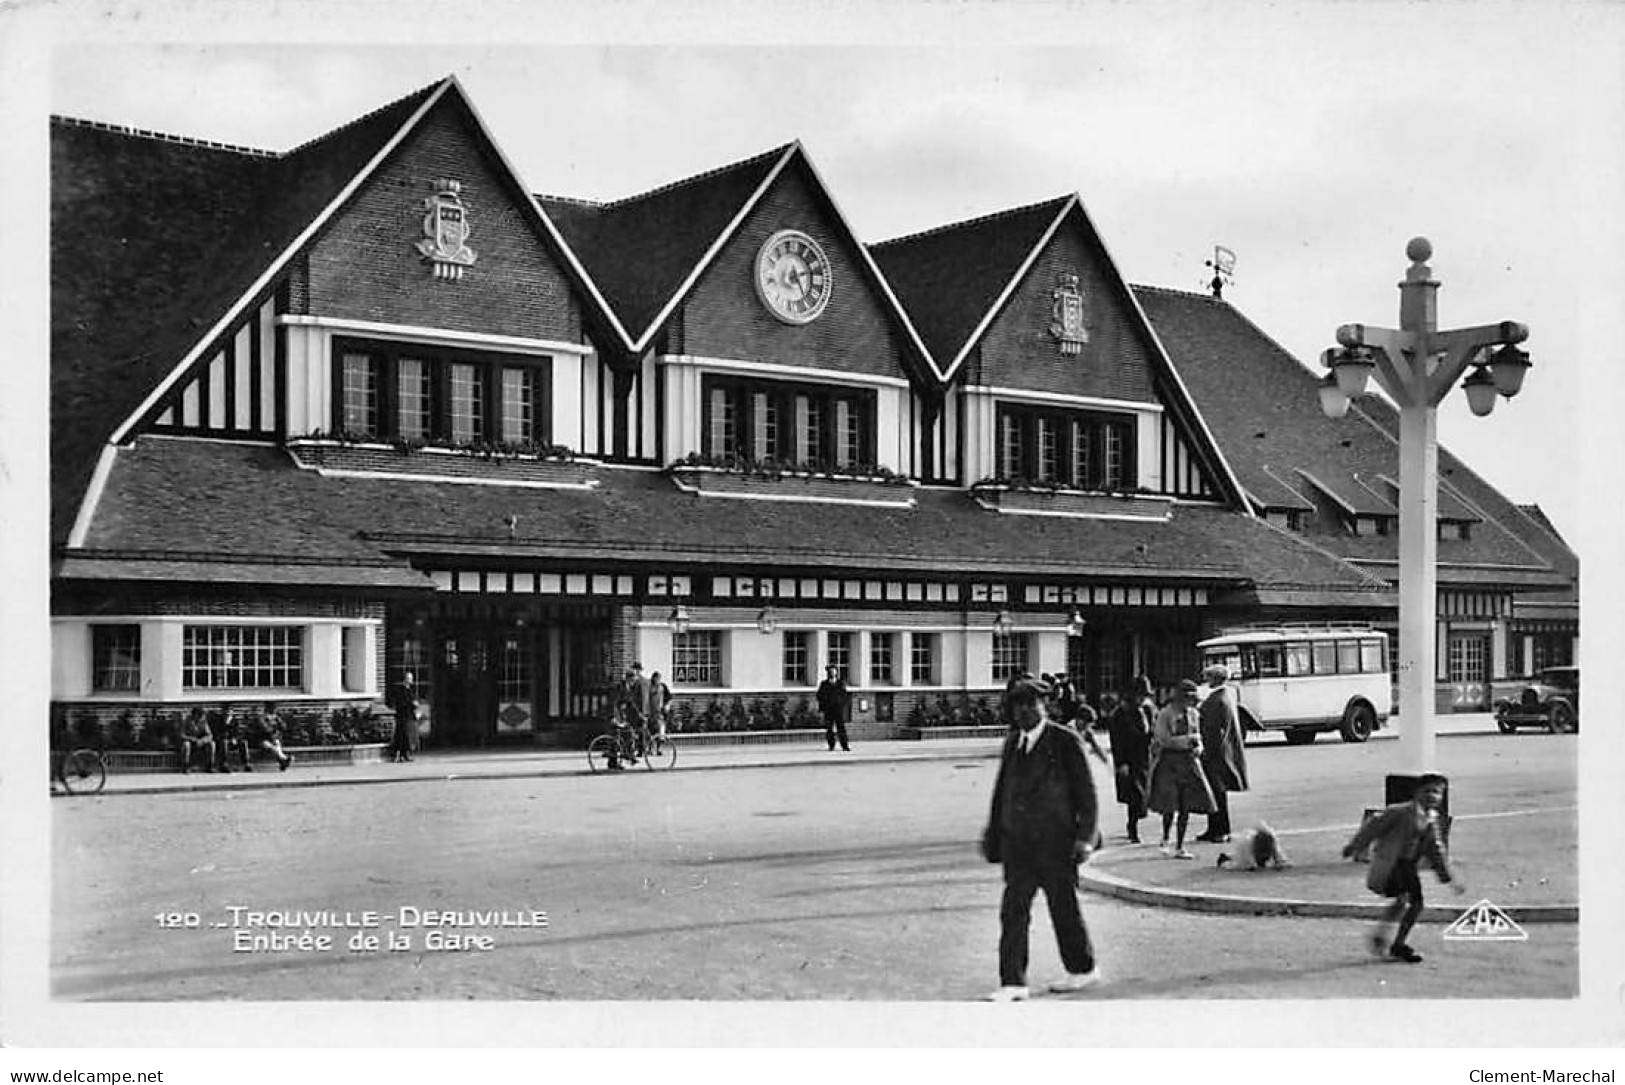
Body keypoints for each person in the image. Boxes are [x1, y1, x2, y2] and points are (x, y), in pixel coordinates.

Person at [979, 682, 1101, 1001]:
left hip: (1055, 844)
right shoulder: (1012, 744)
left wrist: (1085, 838)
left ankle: (1083, 969)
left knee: (1063, 907)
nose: (1023, 711)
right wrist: (994, 834)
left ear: (1044, 706)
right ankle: (1013, 982)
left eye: (1030, 704)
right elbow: (1002, 793)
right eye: (1017, 705)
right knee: (1013, 911)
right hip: (1019, 846)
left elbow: (1087, 795)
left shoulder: (1065, 741)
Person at [1341, 773, 1463, 963]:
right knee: (1405, 901)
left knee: (1414, 904)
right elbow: (1373, 827)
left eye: (1437, 792)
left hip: (1408, 867)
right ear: (1416, 792)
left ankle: (1396, 942)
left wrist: (1448, 878)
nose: (1432, 796)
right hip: (1391, 864)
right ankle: (1388, 939)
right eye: (1427, 791)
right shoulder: (1398, 811)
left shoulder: (1431, 819)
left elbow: (1435, 850)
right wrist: (1354, 846)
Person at [1147, 678, 1215, 859]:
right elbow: (1163, 739)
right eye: (1188, 698)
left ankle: (1180, 845)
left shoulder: (1194, 714)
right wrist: (1187, 741)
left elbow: (1198, 736)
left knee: (1186, 804)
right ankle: (1165, 837)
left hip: (1189, 762)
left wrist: (1199, 747)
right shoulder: (1165, 714)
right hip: (1169, 762)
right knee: (1170, 804)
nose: (1190, 703)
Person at [1195, 665, 1249, 844]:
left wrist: (1206, 750)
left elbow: (1212, 730)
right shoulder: (1225, 696)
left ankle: (1220, 829)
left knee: (1217, 792)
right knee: (1216, 792)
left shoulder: (1216, 700)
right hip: (1222, 751)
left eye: (1209, 677)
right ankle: (1215, 828)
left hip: (1216, 752)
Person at [1106, 676, 1155, 843]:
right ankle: (1132, 827)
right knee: (1133, 794)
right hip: (1128, 758)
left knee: (1142, 794)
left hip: (1144, 757)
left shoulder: (1147, 711)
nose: (1143, 699)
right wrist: (1121, 763)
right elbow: (1116, 741)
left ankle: (1136, 823)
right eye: (1140, 695)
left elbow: (1152, 731)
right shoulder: (1120, 714)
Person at [247, 702, 294, 771]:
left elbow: (284, 727)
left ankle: (283, 760)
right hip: (260, 739)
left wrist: (278, 721)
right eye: (273, 708)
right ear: (268, 708)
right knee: (271, 744)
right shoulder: (261, 717)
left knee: (276, 742)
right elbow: (265, 729)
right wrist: (275, 728)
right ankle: (284, 759)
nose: (275, 710)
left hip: (273, 739)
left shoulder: (276, 717)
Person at [816, 665, 851, 752]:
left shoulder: (840, 683)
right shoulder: (824, 684)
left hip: (838, 709)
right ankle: (831, 745)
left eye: (834, 671)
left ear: (836, 673)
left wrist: (841, 704)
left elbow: (845, 695)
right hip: (828, 709)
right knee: (829, 728)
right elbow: (819, 695)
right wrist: (824, 704)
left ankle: (845, 745)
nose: (832, 673)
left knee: (841, 727)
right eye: (830, 672)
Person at [388, 672, 421, 763]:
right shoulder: (400, 690)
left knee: (408, 737)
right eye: (409, 678)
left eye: (411, 678)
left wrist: (416, 706)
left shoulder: (410, 690)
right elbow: (401, 703)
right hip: (403, 716)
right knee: (402, 736)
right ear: (405, 679)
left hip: (410, 716)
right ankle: (399, 754)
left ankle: (406, 754)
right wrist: (412, 704)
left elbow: (413, 700)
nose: (411, 680)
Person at [177, 707, 215, 773]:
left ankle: (210, 766)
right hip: (190, 742)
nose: (202, 717)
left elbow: (210, 735)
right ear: (195, 715)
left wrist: (203, 740)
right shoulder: (187, 721)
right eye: (200, 715)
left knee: (212, 744)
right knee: (186, 745)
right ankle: (186, 766)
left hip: (201, 743)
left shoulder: (203, 722)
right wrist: (192, 739)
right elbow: (182, 735)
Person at [214, 706, 251, 773]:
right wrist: (225, 737)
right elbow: (217, 732)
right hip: (222, 741)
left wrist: (235, 738)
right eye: (226, 711)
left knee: (243, 742)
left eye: (229, 711)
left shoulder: (235, 721)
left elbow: (238, 732)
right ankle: (224, 764)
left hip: (232, 740)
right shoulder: (219, 720)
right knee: (224, 742)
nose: (228, 713)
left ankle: (246, 763)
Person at [647, 670, 672, 740]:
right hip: (651, 711)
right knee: (651, 729)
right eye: (657, 679)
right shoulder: (649, 687)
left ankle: (661, 739)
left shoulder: (662, 687)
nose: (658, 680)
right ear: (653, 678)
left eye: (659, 679)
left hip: (659, 711)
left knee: (661, 725)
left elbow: (669, 697)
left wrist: (667, 705)